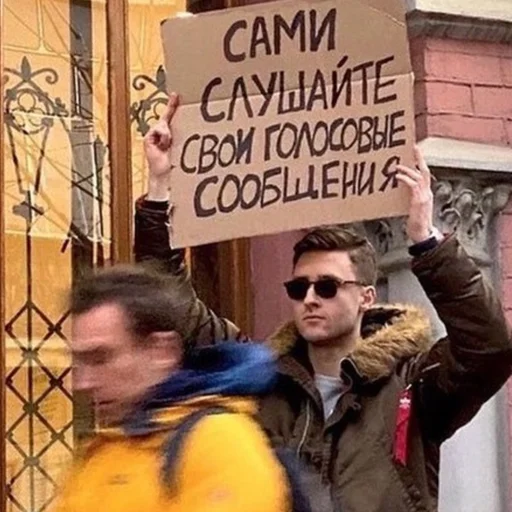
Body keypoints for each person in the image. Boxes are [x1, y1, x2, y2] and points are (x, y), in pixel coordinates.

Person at [134, 93, 512, 512]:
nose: (310, 298)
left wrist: (426, 240)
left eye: (328, 287)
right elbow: (173, 310)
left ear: (366, 297)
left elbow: (489, 346)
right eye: (299, 288)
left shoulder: (412, 385)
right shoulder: (262, 378)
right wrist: (159, 189)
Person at [52, 264, 302, 512]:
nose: (83, 382)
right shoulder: (101, 450)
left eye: (101, 358)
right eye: (80, 361)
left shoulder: (218, 442)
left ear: (161, 351)